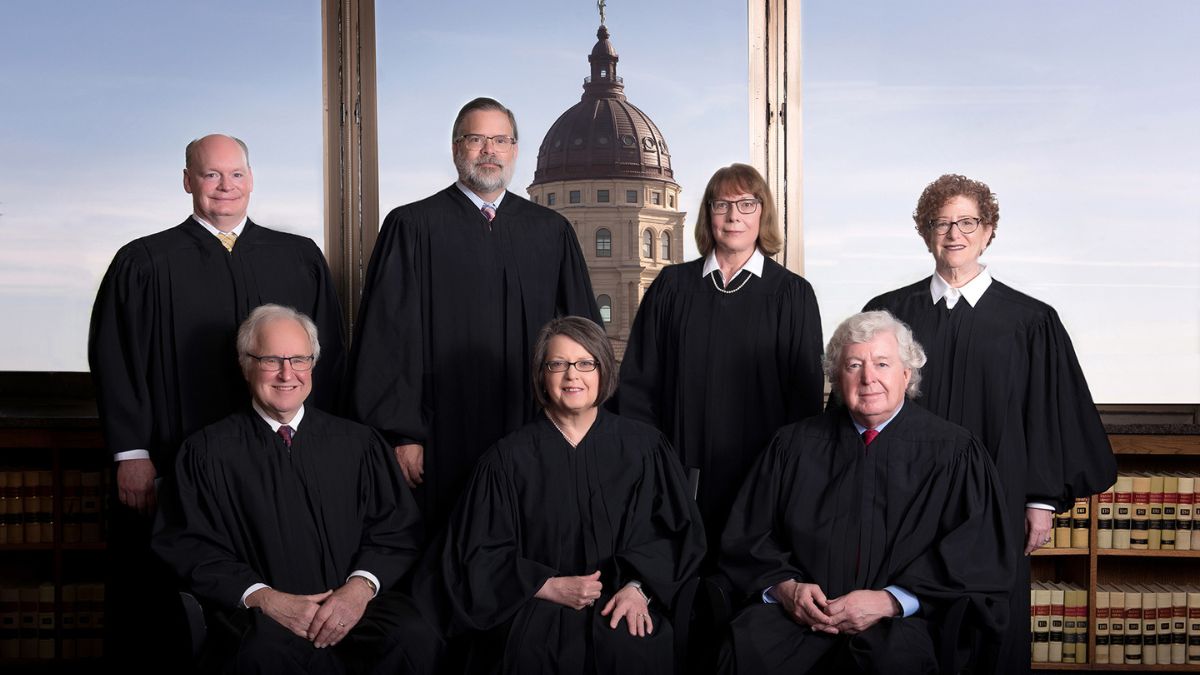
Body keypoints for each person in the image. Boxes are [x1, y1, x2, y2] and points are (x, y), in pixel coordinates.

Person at [88, 134, 345, 668]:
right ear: (188, 181)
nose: (225, 187)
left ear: (252, 180)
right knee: (173, 605)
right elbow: (115, 359)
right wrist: (131, 453)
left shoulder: (297, 257)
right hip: (174, 456)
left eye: (236, 175)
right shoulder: (144, 262)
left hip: (276, 458)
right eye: (211, 175)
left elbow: (328, 358)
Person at [863, 174, 1117, 672]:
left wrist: (1040, 501)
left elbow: (1046, 415)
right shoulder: (890, 313)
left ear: (989, 229)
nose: (954, 233)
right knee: (903, 624)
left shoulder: (1030, 320)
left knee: (988, 631)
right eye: (941, 223)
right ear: (925, 231)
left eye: (967, 222)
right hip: (903, 498)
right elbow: (861, 407)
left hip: (997, 499)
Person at [347, 97, 601, 536]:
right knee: (447, 541)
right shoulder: (411, 226)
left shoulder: (550, 231)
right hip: (440, 433)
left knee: (530, 534)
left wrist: (575, 422)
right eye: (477, 139)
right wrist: (402, 434)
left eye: (500, 140)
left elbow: (581, 337)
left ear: (515, 151)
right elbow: (388, 339)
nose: (489, 150)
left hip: (532, 423)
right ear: (455, 148)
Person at [717, 311, 1013, 675]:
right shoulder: (792, 446)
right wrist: (786, 589)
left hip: (902, 621)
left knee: (894, 663)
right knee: (746, 650)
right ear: (837, 379)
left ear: (907, 374)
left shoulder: (954, 451)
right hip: (802, 616)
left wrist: (890, 601)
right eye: (853, 364)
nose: (868, 377)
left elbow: (976, 554)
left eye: (882, 363)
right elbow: (748, 536)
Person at [153, 305, 439, 674]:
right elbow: (189, 544)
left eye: (299, 360)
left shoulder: (359, 445)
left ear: (313, 365)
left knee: (414, 637)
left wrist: (357, 591)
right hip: (263, 618)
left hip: (353, 610)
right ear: (245, 364)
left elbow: (397, 531)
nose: (287, 374)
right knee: (256, 655)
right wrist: (265, 599)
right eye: (271, 359)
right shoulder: (206, 452)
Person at [416, 316, 705, 674]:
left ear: (603, 372)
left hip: (620, 603)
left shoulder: (645, 448)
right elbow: (476, 555)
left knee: (631, 650)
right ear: (542, 375)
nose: (572, 375)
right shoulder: (507, 460)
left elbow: (677, 534)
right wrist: (546, 585)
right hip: (532, 607)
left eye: (585, 363)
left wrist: (638, 587)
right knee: (527, 655)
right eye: (558, 364)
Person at [616, 163, 823, 560]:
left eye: (746, 204)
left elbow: (804, 403)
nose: (733, 216)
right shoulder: (672, 288)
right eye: (722, 204)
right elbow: (639, 385)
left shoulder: (792, 295)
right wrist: (656, 468)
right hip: (676, 473)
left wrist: (781, 480)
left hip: (760, 477)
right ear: (707, 213)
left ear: (762, 213)